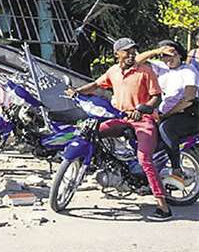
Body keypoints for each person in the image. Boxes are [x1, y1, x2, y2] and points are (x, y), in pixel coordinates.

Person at [68, 37, 172, 221]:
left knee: (144, 158)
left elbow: (156, 97)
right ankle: (111, 167)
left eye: (134, 51)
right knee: (92, 131)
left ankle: (163, 207)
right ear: (117, 54)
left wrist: (142, 109)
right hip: (120, 117)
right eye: (127, 51)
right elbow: (96, 85)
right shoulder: (113, 71)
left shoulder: (145, 71)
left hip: (143, 119)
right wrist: (76, 91)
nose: (132, 54)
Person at [136, 40, 199, 189]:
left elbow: (188, 99)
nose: (168, 59)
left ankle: (177, 171)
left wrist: (166, 115)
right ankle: (146, 174)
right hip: (167, 114)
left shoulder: (189, 71)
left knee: (166, 128)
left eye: (172, 54)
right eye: (164, 56)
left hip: (190, 113)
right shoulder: (162, 68)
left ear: (180, 55)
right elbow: (137, 62)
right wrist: (156, 51)